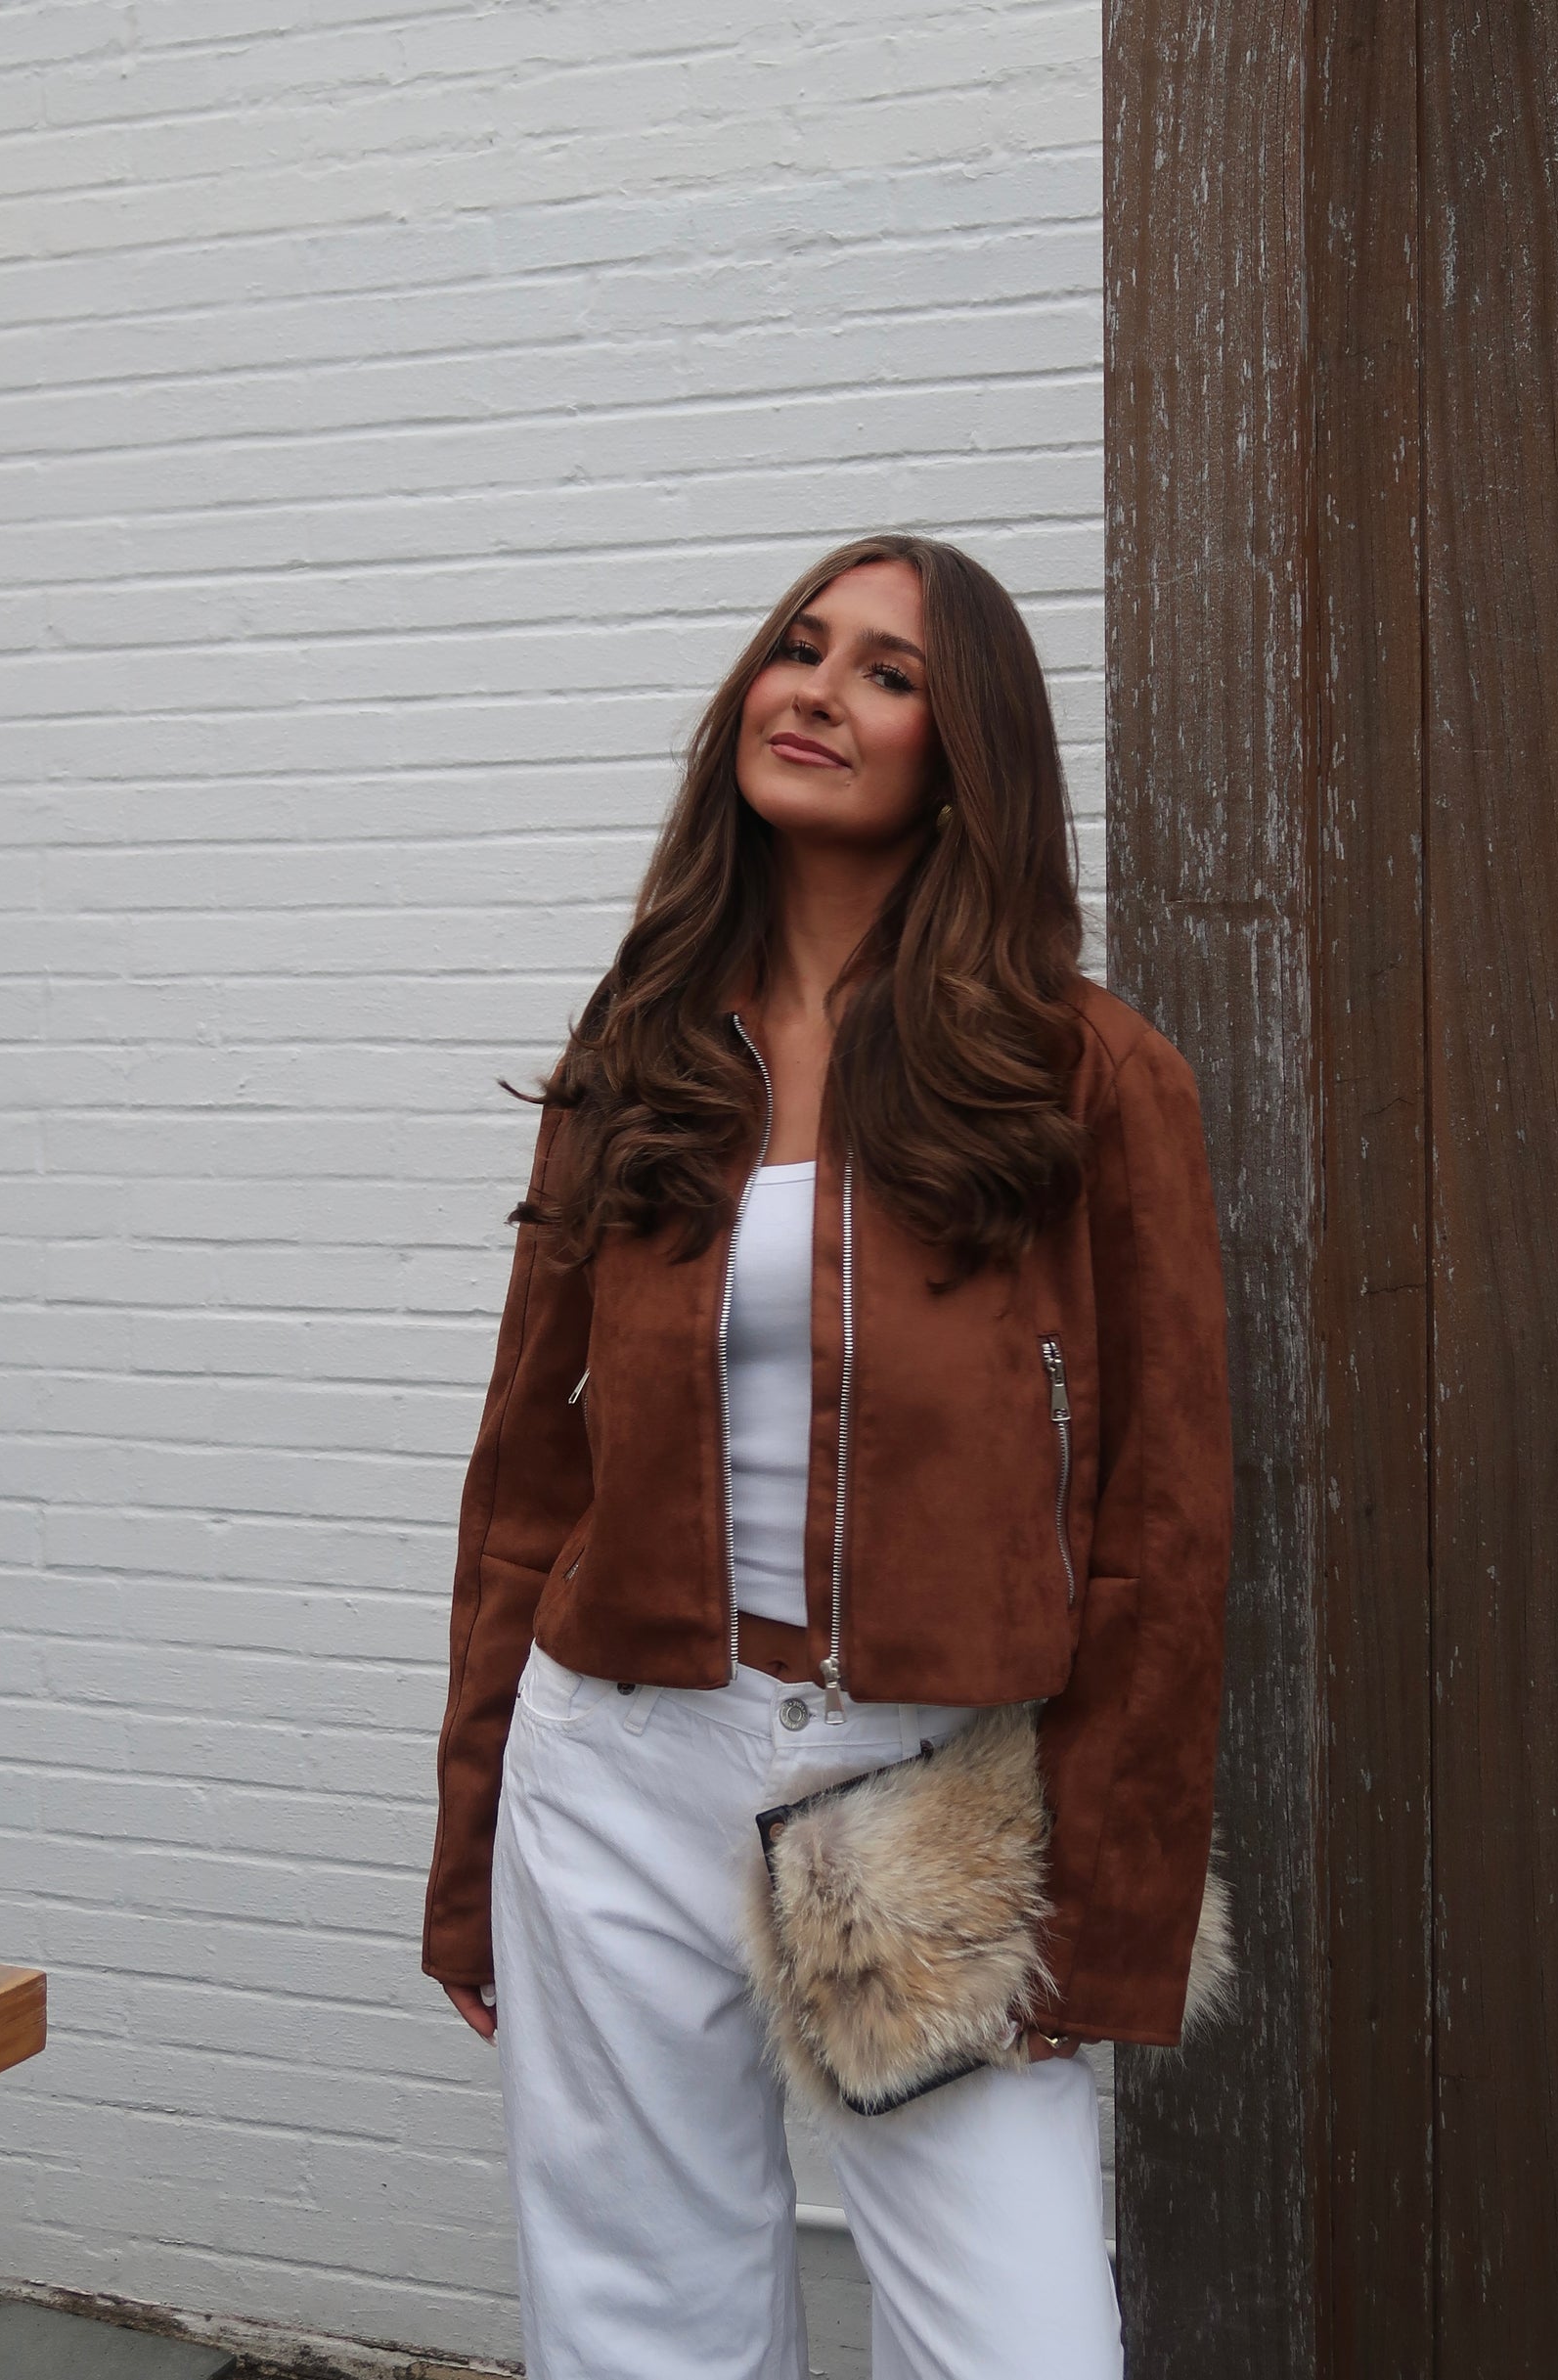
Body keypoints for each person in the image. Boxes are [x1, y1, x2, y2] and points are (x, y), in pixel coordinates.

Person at [422, 533, 1233, 2379]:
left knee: (1020, 2343)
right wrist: (469, 1837)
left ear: (965, 757)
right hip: (614, 1765)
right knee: (641, 2328)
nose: (817, 690)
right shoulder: (638, 1049)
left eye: (888, 671)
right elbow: (526, 1478)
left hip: (920, 1786)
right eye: (801, 647)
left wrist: (1109, 1921)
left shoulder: (1086, 1076)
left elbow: (1163, 1525)